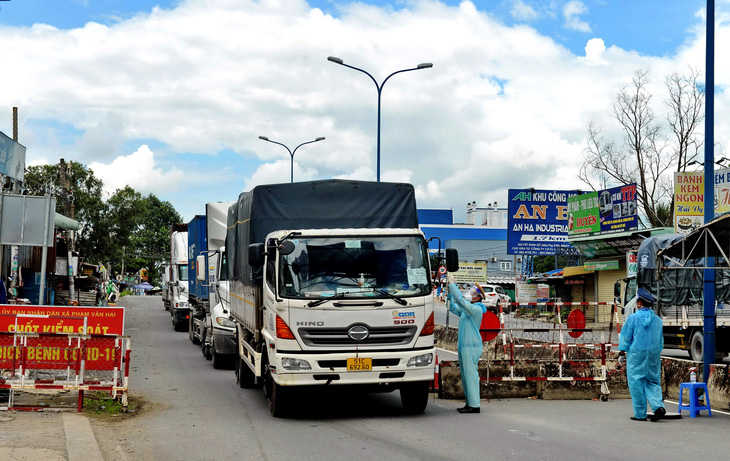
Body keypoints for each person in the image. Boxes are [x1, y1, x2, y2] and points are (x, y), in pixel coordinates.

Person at [618, 287, 666, 422]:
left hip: (636, 354)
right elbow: (660, 340)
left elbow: (626, 336)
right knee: (652, 381)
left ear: (639, 303)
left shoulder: (633, 318)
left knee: (636, 382)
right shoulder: (657, 320)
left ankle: (640, 414)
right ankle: (658, 406)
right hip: (653, 355)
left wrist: (622, 351)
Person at [446, 274, 487, 414]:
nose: (470, 295)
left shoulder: (475, 310)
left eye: (473, 293)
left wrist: (453, 285)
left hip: (472, 346)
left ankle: (475, 405)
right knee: (465, 375)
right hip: (464, 346)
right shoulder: (466, 311)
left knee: (470, 375)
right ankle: (469, 403)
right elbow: (452, 307)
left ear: (478, 298)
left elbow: (460, 300)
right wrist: (450, 293)